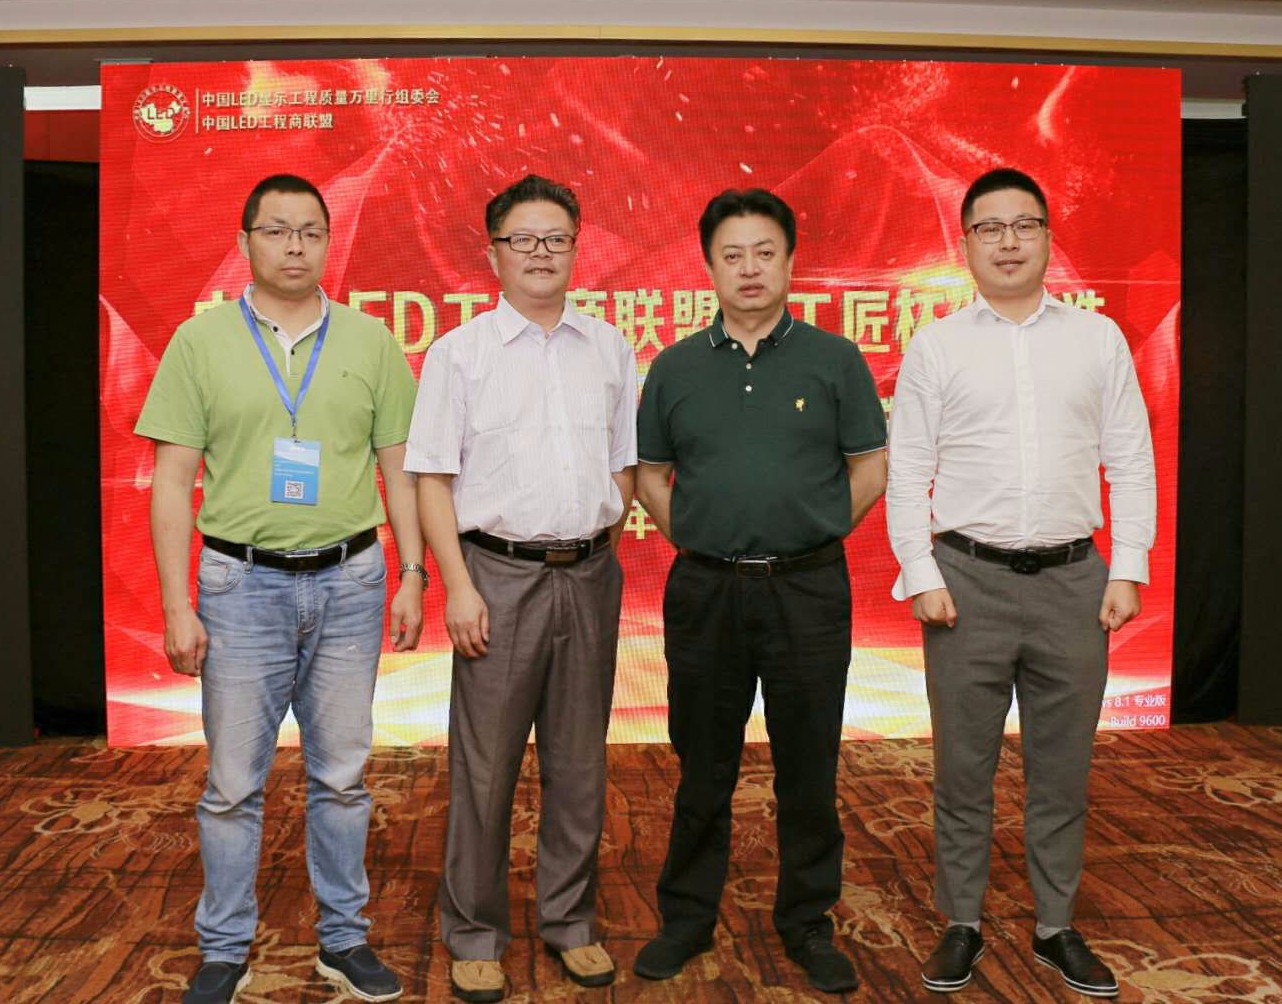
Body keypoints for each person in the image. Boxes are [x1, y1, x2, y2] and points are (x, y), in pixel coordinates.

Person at [136, 173, 424, 1004]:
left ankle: (344, 940)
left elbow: (401, 468)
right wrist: (176, 606)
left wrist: (413, 573)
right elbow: (171, 480)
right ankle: (224, 949)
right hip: (240, 586)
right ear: (245, 243)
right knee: (232, 786)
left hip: (351, 581)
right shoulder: (199, 342)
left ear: (329, 242)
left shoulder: (371, 342)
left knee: (343, 777)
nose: (294, 246)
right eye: (276, 230)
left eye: (310, 231)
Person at [886, 167, 1156, 998]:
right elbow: (908, 470)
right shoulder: (937, 345)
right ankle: (961, 922)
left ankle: (1055, 926)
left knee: (1062, 771)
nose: (1008, 242)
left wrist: (1129, 566)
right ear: (964, 243)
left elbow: (1132, 460)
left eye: (1024, 226)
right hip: (965, 583)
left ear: (1047, 237)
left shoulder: (1097, 340)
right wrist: (920, 571)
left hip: (1074, 583)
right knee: (962, 770)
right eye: (990, 228)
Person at [633, 188, 887, 995]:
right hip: (706, 591)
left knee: (808, 764)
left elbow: (870, 466)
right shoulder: (674, 367)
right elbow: (649, 476)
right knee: (702, 764)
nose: (750, 269)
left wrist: (816, 528)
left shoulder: (834, 359)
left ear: (790, 260)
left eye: (765, 252)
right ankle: (686, 918)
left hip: (808, 590)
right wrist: (696, 535)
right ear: (709, 266)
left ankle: (807, 921)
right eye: (732, 255)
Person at [405, 174, 637, 1004]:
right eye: (523, 240)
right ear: (493, 252)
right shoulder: (459, 354)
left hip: (590, 575)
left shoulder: (609, 348)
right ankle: (474, 932)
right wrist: (458, 586)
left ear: (577, 248)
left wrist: (600, 546)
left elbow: (624, 466)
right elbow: (432, 479)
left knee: (580, 763)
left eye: (557, 239)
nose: (542, 254)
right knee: (486, 767)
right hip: (495, 579)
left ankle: (570, 922)